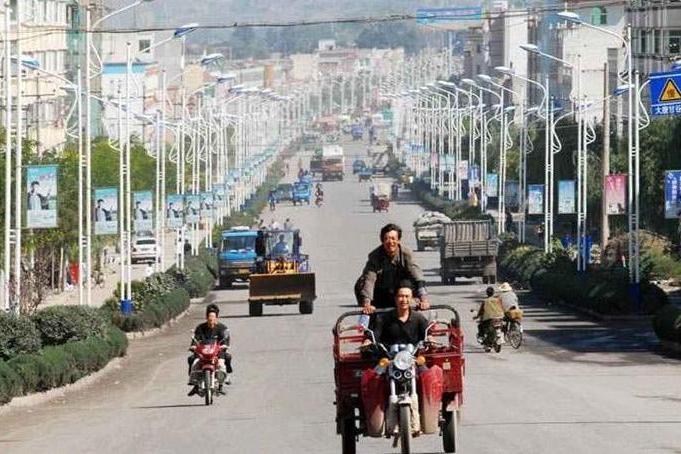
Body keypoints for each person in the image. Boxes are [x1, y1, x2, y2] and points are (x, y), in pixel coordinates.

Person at [356, 223, 429, 313]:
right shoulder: (375, 256)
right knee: (369, 318)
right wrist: (367, 304)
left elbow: (417, 276)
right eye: (387, 239)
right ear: (382, 241)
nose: (390, 242)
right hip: (380, 293)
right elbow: (369, 280)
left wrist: (424, 300)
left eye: (393, 239)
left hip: (402, 292)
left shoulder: (406, 254)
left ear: (398, 240)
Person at [362, 284, 429, 347]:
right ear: (395, 298)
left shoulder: (419, 318)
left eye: (407, 296)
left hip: (413, 357)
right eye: (401, 296)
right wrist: (368, 342)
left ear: (412, 298)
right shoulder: (383, 319)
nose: (404, 300)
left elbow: (428, 335)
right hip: (389, 356)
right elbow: (374, 335)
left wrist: (430, 339)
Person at [188, 304, 232, 396]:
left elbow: (226, 339)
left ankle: (221, 385)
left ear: (216, 317)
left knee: (222, 364)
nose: (211, 319)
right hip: (203, 353)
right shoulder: (200, 328)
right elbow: (195, 339)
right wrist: (193, 346)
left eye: (213, 316)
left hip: (217, 353)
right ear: (206, 317)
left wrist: (225, 345)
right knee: (193, 361)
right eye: (209, 316)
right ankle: (195, 385)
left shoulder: (222, 328)